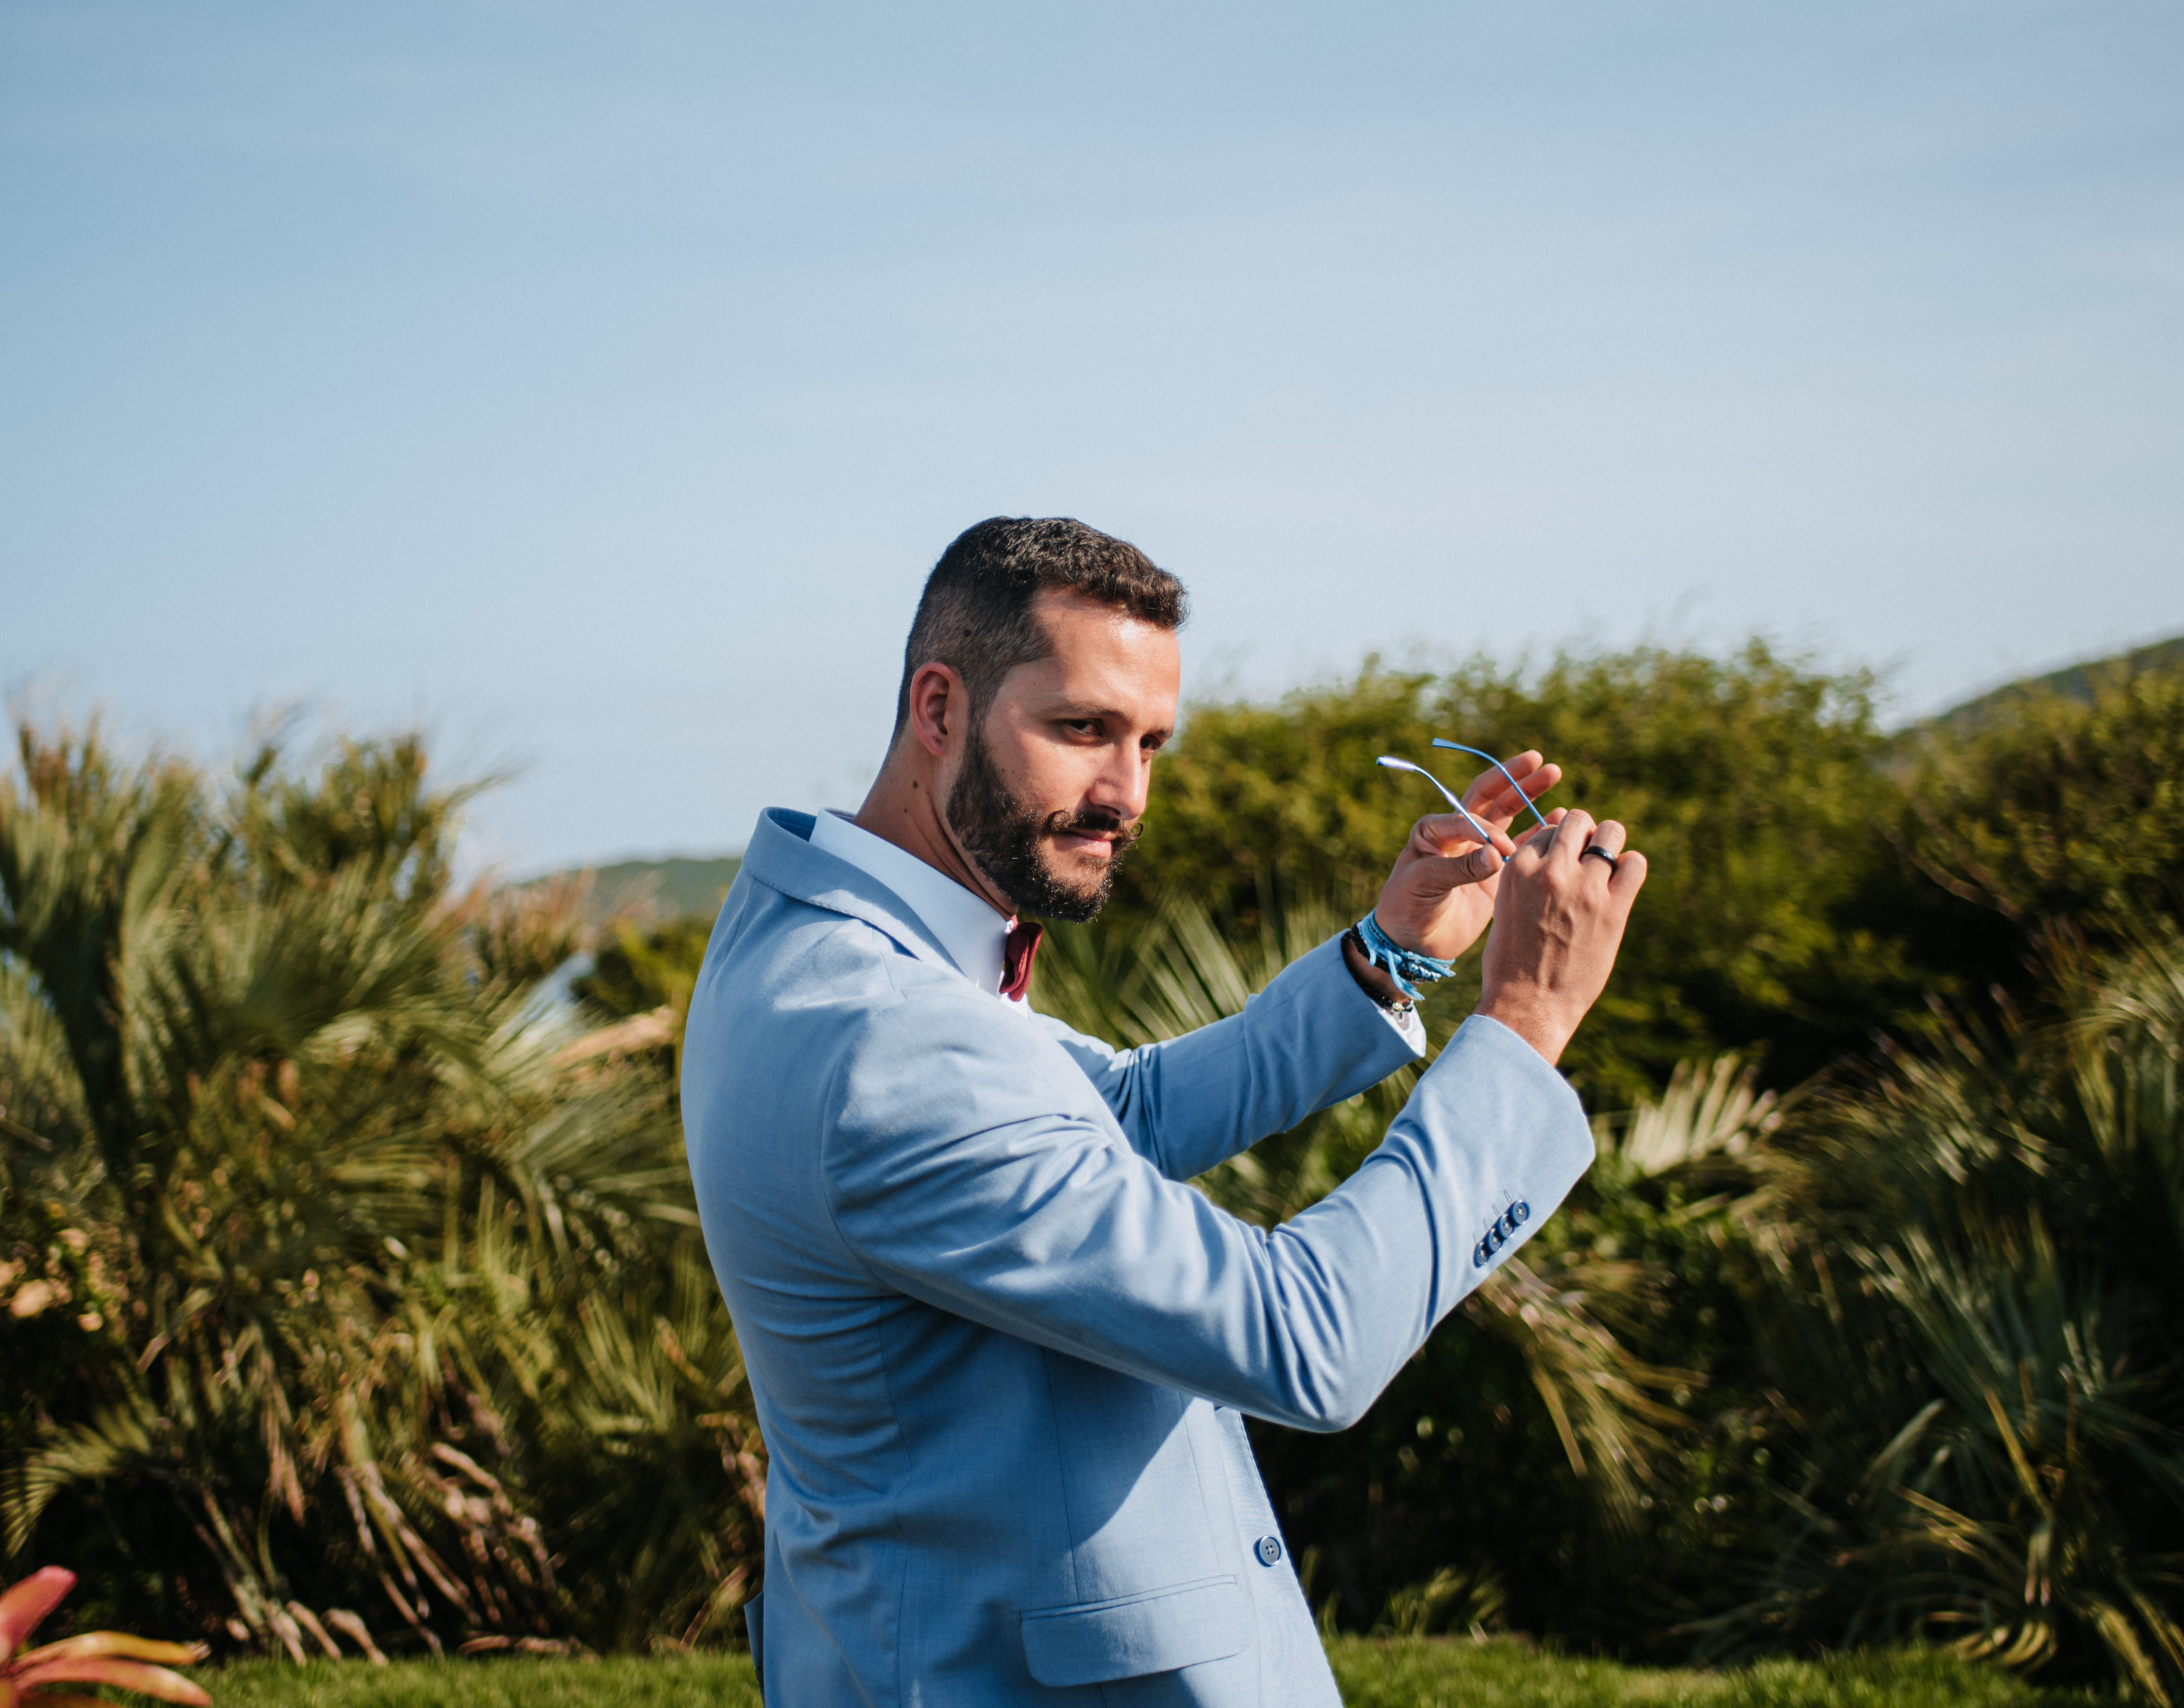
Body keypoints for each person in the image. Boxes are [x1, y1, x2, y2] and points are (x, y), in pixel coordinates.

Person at [685, 516, 1646, 1707]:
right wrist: (1524, 1025)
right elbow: (1309, 1341)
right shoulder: (887, 1039)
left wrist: (1389, 954)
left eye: (1150, 742)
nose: (1125, 795)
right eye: (1081, 729)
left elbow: (1111, 1112)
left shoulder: (819, 935)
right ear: (938, 709)